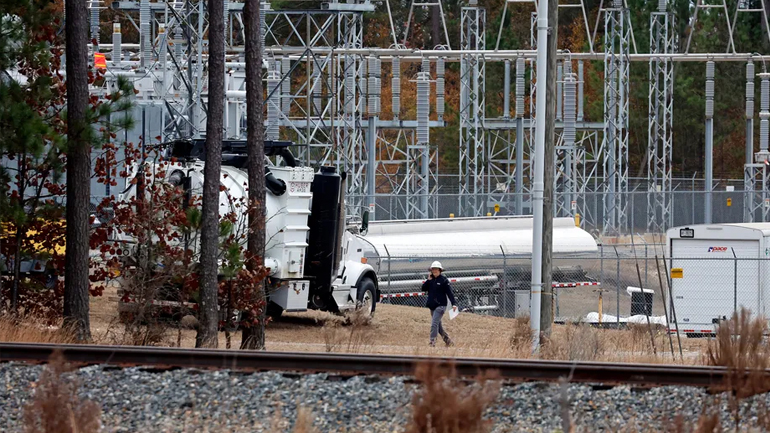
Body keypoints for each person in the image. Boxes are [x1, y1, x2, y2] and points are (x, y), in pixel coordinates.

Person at [422, 261, 458, 347]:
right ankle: (448, 341)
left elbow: (450, 293)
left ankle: (432, 342)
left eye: (436, 269)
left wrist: (454, 304)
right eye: (433, 269)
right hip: (432, 306)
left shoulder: (444, 280)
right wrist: (428, 280)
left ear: (440, 270)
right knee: (438, 327)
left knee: (434, 324)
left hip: (441, 306)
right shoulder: (430, 280)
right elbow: (423, 288)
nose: (434, 271)